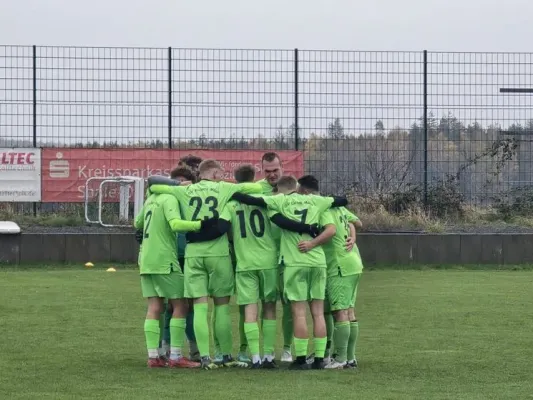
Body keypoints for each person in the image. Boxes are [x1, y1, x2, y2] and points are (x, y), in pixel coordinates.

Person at [147, 159, 262, 370]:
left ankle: (206, 358)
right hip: (218, 253)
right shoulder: (224, 187)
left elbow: (153, 185)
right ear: (216, 173)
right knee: (222, 306)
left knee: (200, 307)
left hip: (193, 253)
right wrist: (228, 183)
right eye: (221, 172)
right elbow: (256, 187)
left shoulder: (186, 190)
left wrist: (178, 185)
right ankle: (225, 356)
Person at [231, 175, 348, 370]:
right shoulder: (316, 201)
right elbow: (342, 200)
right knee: (318, 313)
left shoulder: (280, 200)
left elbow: (252, 200)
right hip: (318, 261)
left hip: (295, 262)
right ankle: (320, 358)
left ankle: (301, 358)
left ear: (279, 189)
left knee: (299, 313)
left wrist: (231, 192)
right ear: (299, 188)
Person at [134, 182, 216, 369]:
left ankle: (153, 356)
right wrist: (202, 224)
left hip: (146, 260)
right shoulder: (169, 198)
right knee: (181, 304)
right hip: (164, 260)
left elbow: (137, 223)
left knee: (154, 306)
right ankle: (176, 356)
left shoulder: (150, 199)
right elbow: (176, 224)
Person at [296, 175, 362, 369]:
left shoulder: (321, 207)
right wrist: (352, 235)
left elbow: (331, 231)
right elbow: (357, 222)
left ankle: (341, 358)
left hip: (339, 265)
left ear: (305, 192)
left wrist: (311, 244)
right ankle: (338, 355)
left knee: (340, 312)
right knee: (340, 310)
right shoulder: (337, 205)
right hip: (352, 263)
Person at [256, 152, 294, 363]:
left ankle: (287, 348)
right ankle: (267, 351)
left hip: (290, 256)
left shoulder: (293, 188)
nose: (271, 175)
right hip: (265, 257)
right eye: (267, 171)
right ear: (262, 169)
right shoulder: (256, 188)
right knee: (267, 303)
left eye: (275, 170)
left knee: (290, 304)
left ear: (282, 167)